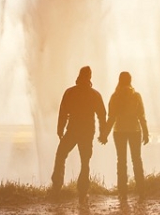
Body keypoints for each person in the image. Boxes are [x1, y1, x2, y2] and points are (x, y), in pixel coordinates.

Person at [50, 65, 107, 203]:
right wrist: (103, 134)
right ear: (90, 77)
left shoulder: (70, 92)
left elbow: (63, 111)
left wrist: (60, 128)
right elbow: (101, 115)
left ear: (79, 75)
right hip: (87, 132)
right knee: (85, 162)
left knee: (61, 156)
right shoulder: (94, 94)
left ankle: (56, 189)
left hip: (72, 131)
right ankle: (82, 194)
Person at [101, 71, 149, 201]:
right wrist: (146, 132)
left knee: (121, 161)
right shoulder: (136, 96)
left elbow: (111, 118)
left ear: (119, 80)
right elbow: (141, 116)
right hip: (135, 131)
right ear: (130, 80)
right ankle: (141, 191)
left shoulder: (115, 96)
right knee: (137, 160)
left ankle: (122, 193)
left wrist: (104, 134)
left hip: (119, 131)